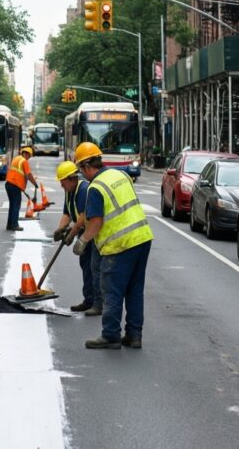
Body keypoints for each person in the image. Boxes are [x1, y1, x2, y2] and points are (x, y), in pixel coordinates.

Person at [71, 142, 154, 350]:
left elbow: (96, 222)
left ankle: (111, 335)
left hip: (120, 244)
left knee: (112, 291)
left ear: (87, 166)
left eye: (81, 169)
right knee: (134, 290)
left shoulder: (95, 188)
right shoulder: (121, 175)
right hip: (142, 237)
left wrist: (82, 241)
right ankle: (134, 336)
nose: (82, 174)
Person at [54, 161, 97, 314]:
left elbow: (82, 218)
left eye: (62, 181)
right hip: (82, 231)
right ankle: (90, 300)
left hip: (91, 233)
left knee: (92, 267)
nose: (61, 185)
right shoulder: (69, 191)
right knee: (86, 266)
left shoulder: (83, 190)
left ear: (72, 179)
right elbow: (67, 213)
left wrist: (70, 236)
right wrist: (61, 229)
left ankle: (94, 302)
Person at [4, 147, 38, 232]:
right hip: (15, 185)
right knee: (16, 205)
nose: (28, 158)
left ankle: (9, 225)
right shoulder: (24, 161)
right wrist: (35, 184)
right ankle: (14, 225)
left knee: (12, 205)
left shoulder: (16, 158)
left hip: (9, 184)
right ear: (26, 154)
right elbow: (28, 175)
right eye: (29, 156)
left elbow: (19, 173)